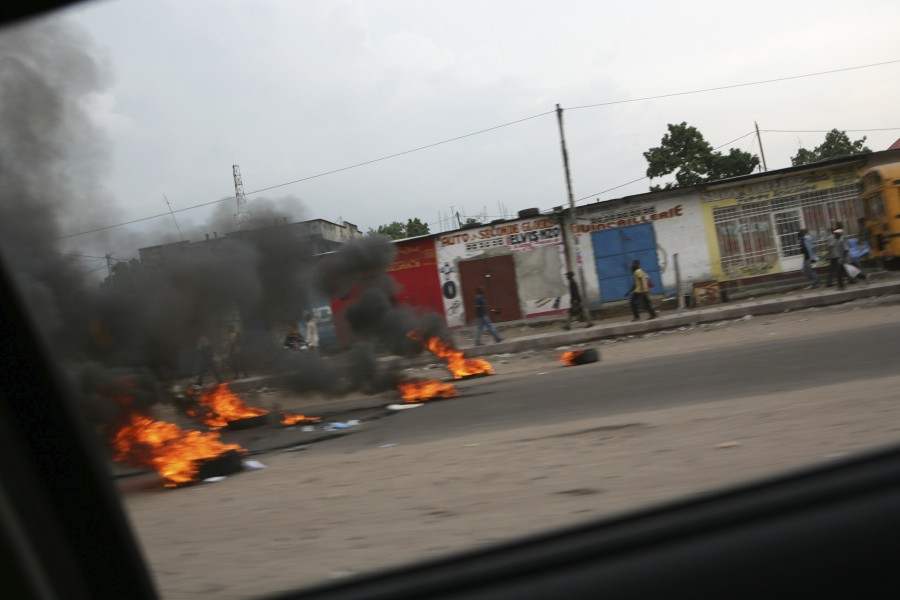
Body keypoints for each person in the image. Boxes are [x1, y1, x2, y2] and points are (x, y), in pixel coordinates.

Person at [826, 225, 849, 290]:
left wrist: (843, 258)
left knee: (839, 272)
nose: (835, 233)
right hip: (838, 257)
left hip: (839, 257)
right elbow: (831, 246)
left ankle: (839, 285)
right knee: (840, 272)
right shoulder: (836, 238)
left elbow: (845, 249)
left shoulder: (840, 239)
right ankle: (841, 286)